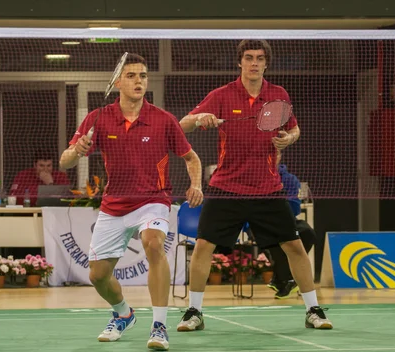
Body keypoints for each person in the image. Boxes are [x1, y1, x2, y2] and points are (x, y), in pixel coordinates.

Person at [176, 39, 332, 331]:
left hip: (267, 188)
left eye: (260, 58)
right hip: (226, 188)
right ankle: (193, 312)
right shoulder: (222, 94)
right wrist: (201, 119)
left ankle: (313, 309)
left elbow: (294, 127)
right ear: (240, 62)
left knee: (295, 247)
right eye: (249, 57)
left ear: (266, 63)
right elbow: (181, 124)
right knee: (203, 247)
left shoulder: (278, 94)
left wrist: (290, 138)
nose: (254, 63)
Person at [60, 53, 203, 351]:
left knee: (153, 244)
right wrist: (78, 149)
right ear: (118, 81)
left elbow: (191, 157)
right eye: (132, 76)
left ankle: (159, 325)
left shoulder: (163, 120)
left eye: (143, 76)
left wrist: (196, 184)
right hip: (114, 204)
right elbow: (65, 162)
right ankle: (123, 313)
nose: (139, 81)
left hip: (154, 198)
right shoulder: (98, 118)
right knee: (98, 275)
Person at [265, 150, 317, 299]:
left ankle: (284, 279)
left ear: (280, 157)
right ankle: (286, 280)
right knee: (275, 239)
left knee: (307, 232)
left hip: (284, 220)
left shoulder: (289, 180)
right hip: (260, 222)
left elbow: (294, 208)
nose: (273, 157)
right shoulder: (254, 177)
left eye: (276, 154)